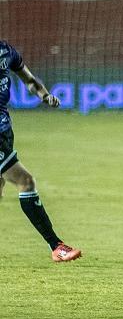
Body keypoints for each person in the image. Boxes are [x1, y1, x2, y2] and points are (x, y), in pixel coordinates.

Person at [0, 40, 82, 262]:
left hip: (5, 130)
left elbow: (29, 79)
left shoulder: (6, 51)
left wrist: (44, 95)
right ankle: (56, 246)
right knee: (26, 181)